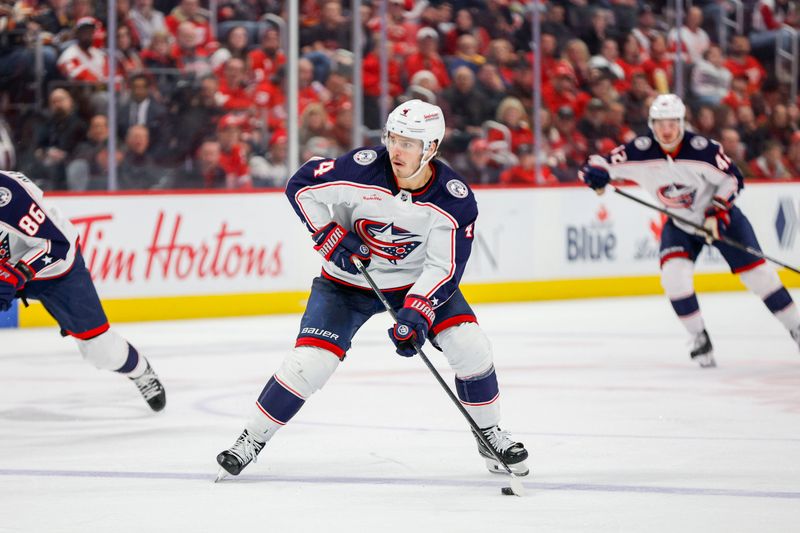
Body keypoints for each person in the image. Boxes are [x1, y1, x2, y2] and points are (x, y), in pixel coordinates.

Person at [215, 99, 529, 480]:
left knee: (469, 344)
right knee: (309, 364)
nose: (396, 150)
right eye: (393, 138)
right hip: (347, 282)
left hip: (414, 284)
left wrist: (416, 311)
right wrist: (328, 234)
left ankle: (488, 432)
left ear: (430, 148)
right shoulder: (362, 167)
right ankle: (251, 439)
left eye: (409, 143)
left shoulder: (453, 199)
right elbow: (301, 186)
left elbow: (444, 268)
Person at [579, 94, 800, 368]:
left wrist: (716, 212)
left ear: (682, 123)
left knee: (760, 277)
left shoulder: (702, 150)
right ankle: (699, 338)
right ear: (651, 125)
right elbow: (598, 164)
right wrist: (594, 175)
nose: (666, 130)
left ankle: (796, 328)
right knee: (674, 278)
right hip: (681, 224)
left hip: (722, 219)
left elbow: (733, 179)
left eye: (672, 123)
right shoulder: (640, 150)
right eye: (660, 124)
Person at [0, 170, 166, 410]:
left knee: (101, 351)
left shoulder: (8, 195)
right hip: (7, 269)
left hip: (55, 270)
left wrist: (16, 274)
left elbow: (57, 245)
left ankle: (140, 370)